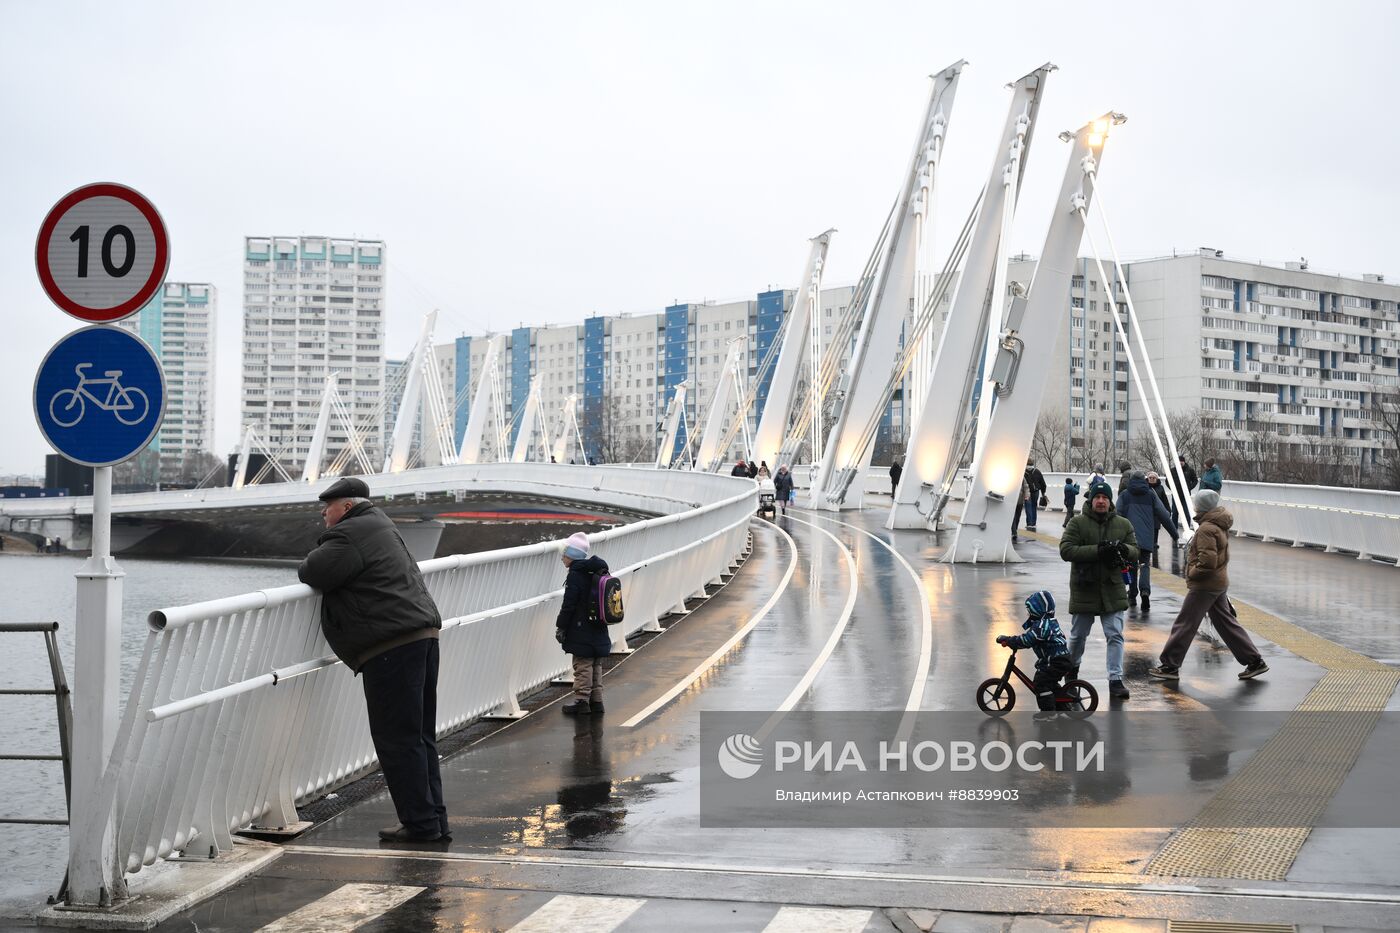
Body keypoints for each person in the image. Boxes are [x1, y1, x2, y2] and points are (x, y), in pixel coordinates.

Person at [298, 477, 448, 843]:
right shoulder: (381, 525)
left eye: (328, 506)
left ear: (346, 507)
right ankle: (433, 820)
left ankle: (420, 825)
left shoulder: (350, 534)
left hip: (391, 646)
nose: (323, 511)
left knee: (397, 739)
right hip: (420, 637)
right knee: (419, 736)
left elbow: (312, 571)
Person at [1150, 490, 1267, 682]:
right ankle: (1254, 661)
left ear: (1202, 507)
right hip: (1218, 582)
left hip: (1205, 585)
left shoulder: (1206, 529)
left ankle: (1170, 665)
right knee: (1226, 623)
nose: (1194, 506)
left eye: (1196, 504)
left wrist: (1192, 572)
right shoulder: (1218, 524)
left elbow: (1208, 561)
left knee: (1185, 623)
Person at [1059, 480, 1139, 700]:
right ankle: (1071, 672)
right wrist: (1097, 551)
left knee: (1115, 635)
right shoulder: (1077, 523)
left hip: (1112, 588)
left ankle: (1115, 680)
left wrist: (1123, 549)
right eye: (1097, 498)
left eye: (1105, 498)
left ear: (1110, 501)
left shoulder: (1123, 525)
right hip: (1085, 586)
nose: (1101, 501)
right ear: (1091, 499)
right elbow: (1066, 550)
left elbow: (1135, 550)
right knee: (1078, 636)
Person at [555, 532, 612, 715]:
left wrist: (561, 625)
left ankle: (581, 701)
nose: (562, 558)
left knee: (582, 663)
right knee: (595, 662)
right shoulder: (597, 570)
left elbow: (569, 605)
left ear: (571, 555)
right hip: (598, 625)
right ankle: (597, 701)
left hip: (582, 627)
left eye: (564, 554)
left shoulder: (575, 575)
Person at [995, 590, 1073, 712]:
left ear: (1038, 610)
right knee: (1049, 683)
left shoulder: (1041, 627)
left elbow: (1027, 640)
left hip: (1055, 661)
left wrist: (1009, 641)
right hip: (1058, 659)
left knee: (1040, 683)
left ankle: (1048, 713)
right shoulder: (1046, 622)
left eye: (1030, 611)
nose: (1028, 614)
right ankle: (1061, 705)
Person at [1115, 472, 1178, 612]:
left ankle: (1132, 595)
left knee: (1131, 566)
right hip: (1146, 538)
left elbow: (1116, 514)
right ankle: (1145, 592)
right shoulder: (1151, 494)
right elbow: (1164, 515)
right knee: (1144, 565)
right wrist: (1175, 534)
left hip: (1129, 538)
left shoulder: (1124, 495)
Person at [1144, 471, 1172, 563]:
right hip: (1147, 510)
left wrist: (1168, 510)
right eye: (1150, 478)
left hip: (1156, 511)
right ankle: (1148, 541)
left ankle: (1155, 542)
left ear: (1157, 479)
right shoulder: (1144, 487)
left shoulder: (1160, 488)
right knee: (1147, 527)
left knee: (1156, 526)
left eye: (1153, 478)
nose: (1152, 479)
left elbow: (1164, 499)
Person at [1024, 459, 1047, 532]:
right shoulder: (1037, 471)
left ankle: (1029, 523)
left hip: (1026, 492)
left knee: (1028, 507)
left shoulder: (1023, 472)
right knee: (1034, 506)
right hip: (1035, 491)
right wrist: (1043, 493)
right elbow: (1043, 484)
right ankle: (1033, 523)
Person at [1011, 473, 1031, 542]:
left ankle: (1015, 530)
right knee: (1012, 517)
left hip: (1020, 500)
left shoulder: (1021, 477)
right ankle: (1014, 532)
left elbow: (1026, 487)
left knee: (1017, 517)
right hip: (1011, 501)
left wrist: (1027, 495)